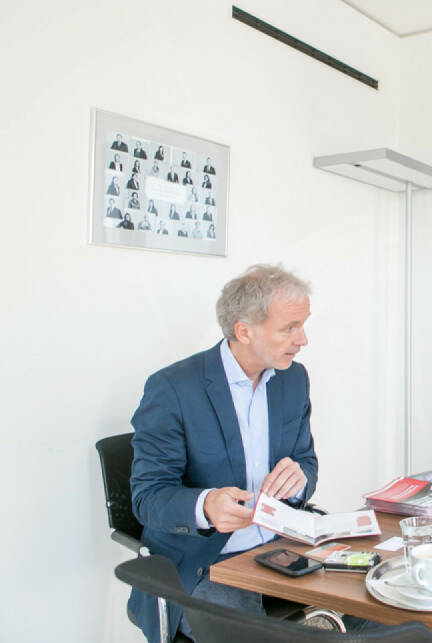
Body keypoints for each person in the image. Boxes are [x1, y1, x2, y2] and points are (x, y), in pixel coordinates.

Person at [127, 265, 317, 643]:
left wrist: (299, 479)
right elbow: (147, 497)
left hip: (278, 548)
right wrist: (206, 505)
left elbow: (306, 462)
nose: (304, 339)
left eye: (303, 324)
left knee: (376, 607)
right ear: (244, 330)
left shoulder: (293, 379)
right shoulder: (173, 388)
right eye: (289, 328)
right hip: (206, 563)